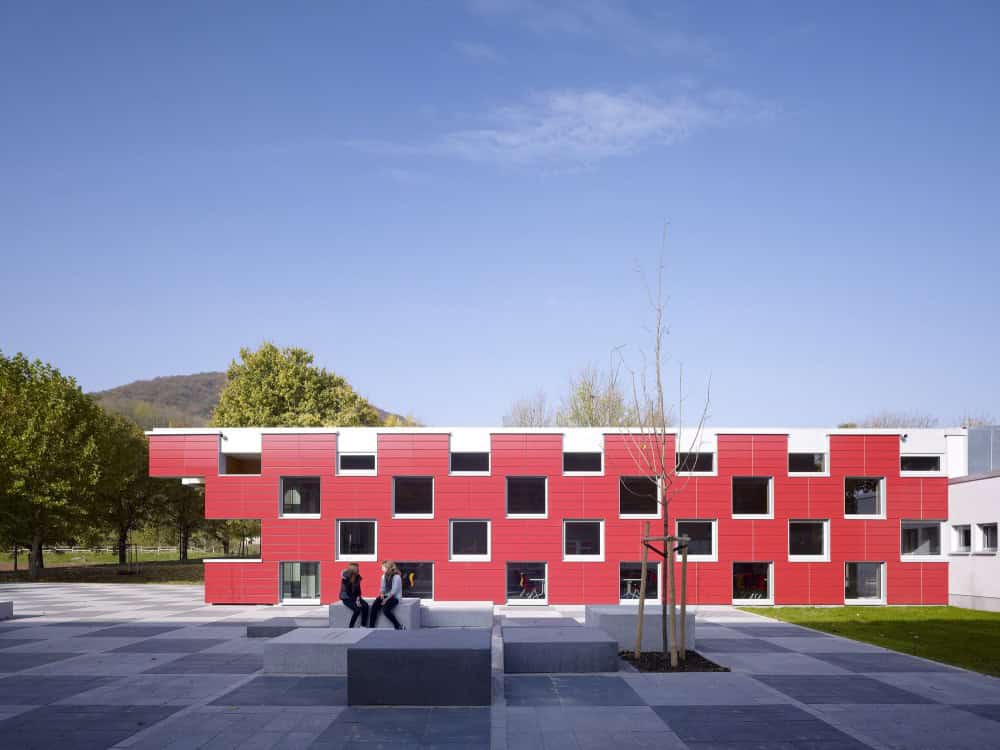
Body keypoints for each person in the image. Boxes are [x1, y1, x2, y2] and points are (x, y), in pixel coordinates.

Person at [368, 560, 404, 630]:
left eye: (383, 567)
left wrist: (386, 600)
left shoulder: (396, 577)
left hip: (395, 598)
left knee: (385, 610)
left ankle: (398, 625)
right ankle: (371, 626)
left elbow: (394, 591)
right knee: (374, 605)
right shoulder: (384, 576)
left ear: (387, 568)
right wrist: (381, 594)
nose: (381, 568)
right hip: (386, 596)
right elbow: (382, 587)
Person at [339, 563, 369, 628]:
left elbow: (358, 590)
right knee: (357, 609)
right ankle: (351, 627)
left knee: (366, 606)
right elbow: (348, 592)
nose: (359, 570)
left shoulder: (357, 577)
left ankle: (363, 626)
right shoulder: (345, 579)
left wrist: (358, 599)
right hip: (347, 598)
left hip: (355, 597)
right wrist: (356, 601)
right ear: (354, 570)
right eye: (357, 568)